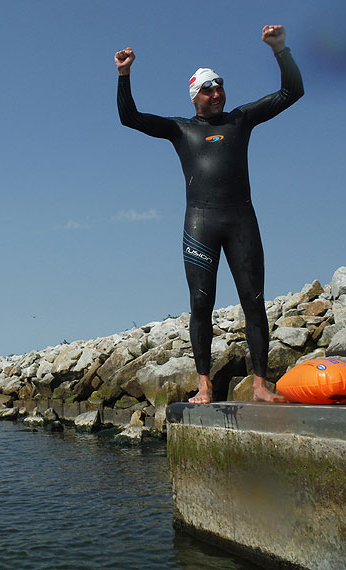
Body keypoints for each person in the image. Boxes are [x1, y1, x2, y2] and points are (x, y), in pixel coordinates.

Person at [115, 25, 304, 404]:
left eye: (219, 87)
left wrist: (280, 50)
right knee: (201, 304)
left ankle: (260, 386)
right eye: (207, 89)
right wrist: (124, 75)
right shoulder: (180, 129)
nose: (216, 93)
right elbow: (130, 117)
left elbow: (291, 92)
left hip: (241, 220)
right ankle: (205, 386)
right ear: (194, 97)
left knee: (254, 301)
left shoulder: (241, 119)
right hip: (200, 223)